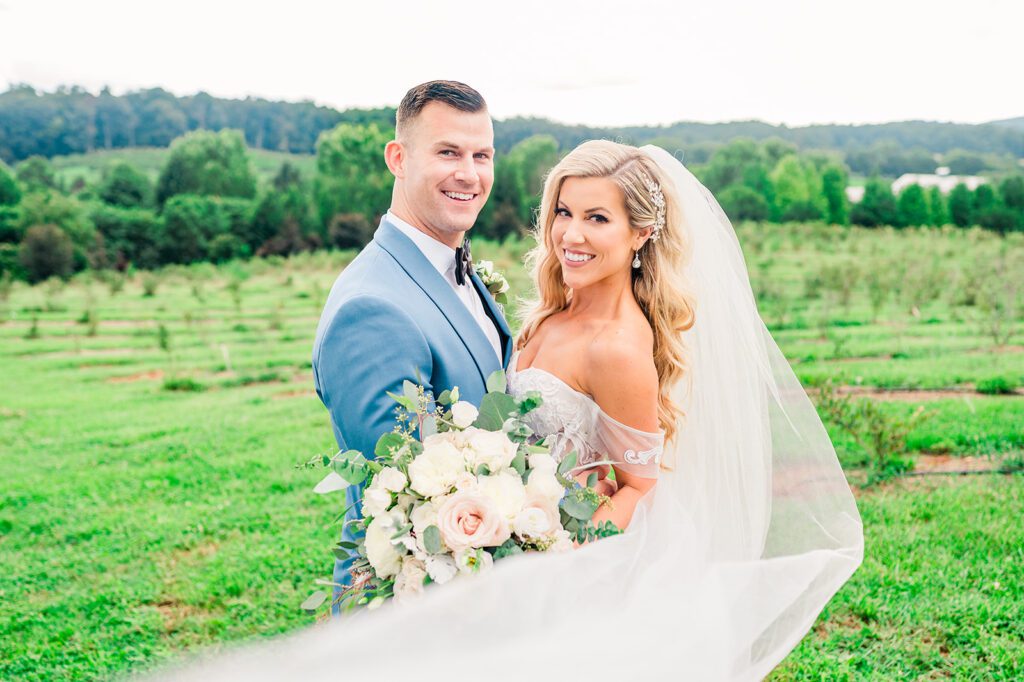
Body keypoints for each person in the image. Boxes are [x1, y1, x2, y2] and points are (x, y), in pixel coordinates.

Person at [153, 140, 862, 681]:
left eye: (596, 219)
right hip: (511, 533)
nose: (570, 235)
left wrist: (555, 556)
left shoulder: (619, 346)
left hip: (573, 559)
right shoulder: (552, 312)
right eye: (562, 211)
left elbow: (640, 485)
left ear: (641, 234)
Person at [311, 80, 513, 601]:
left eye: (482, 155)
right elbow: (406, 498)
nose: (469, 174)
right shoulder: (371, 309)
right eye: (448, 152)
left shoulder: (455, 269)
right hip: (418, 606)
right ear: (398, 158)